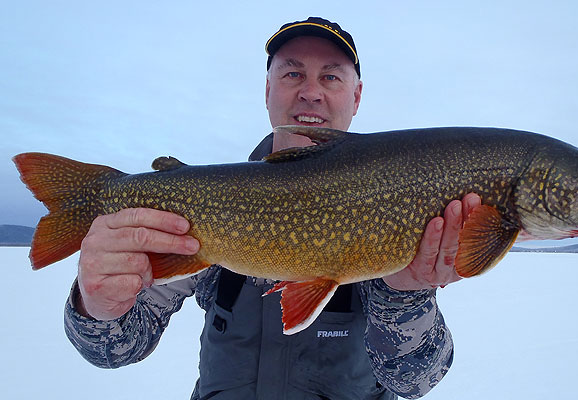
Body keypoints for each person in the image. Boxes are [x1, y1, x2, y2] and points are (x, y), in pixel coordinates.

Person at [65, 17, 481, 400]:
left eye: (330, 76)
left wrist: (405, 297)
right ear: (268, 90)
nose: (311, 91)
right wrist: (96, 307)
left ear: (356, 97)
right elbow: (115, 350)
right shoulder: (209, 205)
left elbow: (416, 379)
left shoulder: (399, 202)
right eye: (293, 73)